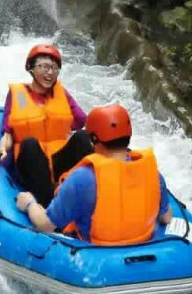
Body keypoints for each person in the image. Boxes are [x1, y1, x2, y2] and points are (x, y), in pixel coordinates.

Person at [16, 104, 173, 245]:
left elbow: (45, 225)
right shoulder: (153, 173)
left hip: (93, 251)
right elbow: (166, 217)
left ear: (94, 139)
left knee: (31, 148)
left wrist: (30, 204)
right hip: (141, 243)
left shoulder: (82, 179)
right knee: (78, 139)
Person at [0, 44, 93, 206]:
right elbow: (8, 133)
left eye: (54, 68)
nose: (50, 72)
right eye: (44, 67)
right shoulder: (18, 95)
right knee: (30, 143)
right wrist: (2, 149)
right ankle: (47, 204)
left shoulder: (61, 93)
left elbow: (80, 121)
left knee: (82, 136)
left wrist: (63, 128)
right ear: (30, 68)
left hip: (58, 162)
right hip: (30, 164)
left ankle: (88, 195)